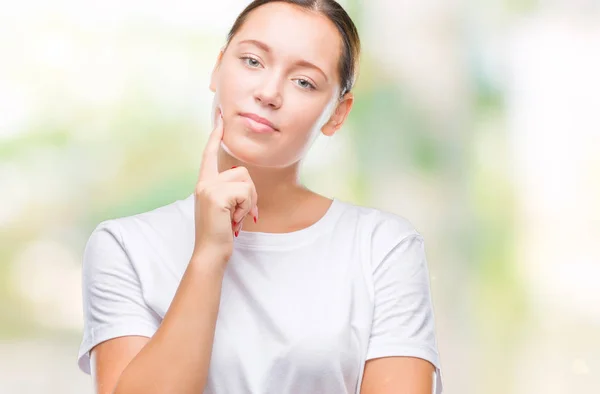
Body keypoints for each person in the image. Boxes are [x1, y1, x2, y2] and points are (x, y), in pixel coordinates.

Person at [77, 1, 443, 393]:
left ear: (337, 113)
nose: (268, 93)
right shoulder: (125, 247)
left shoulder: (382, 248)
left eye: (304, 82)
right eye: (252, 61)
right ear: (217, 67)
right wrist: (208, 257)